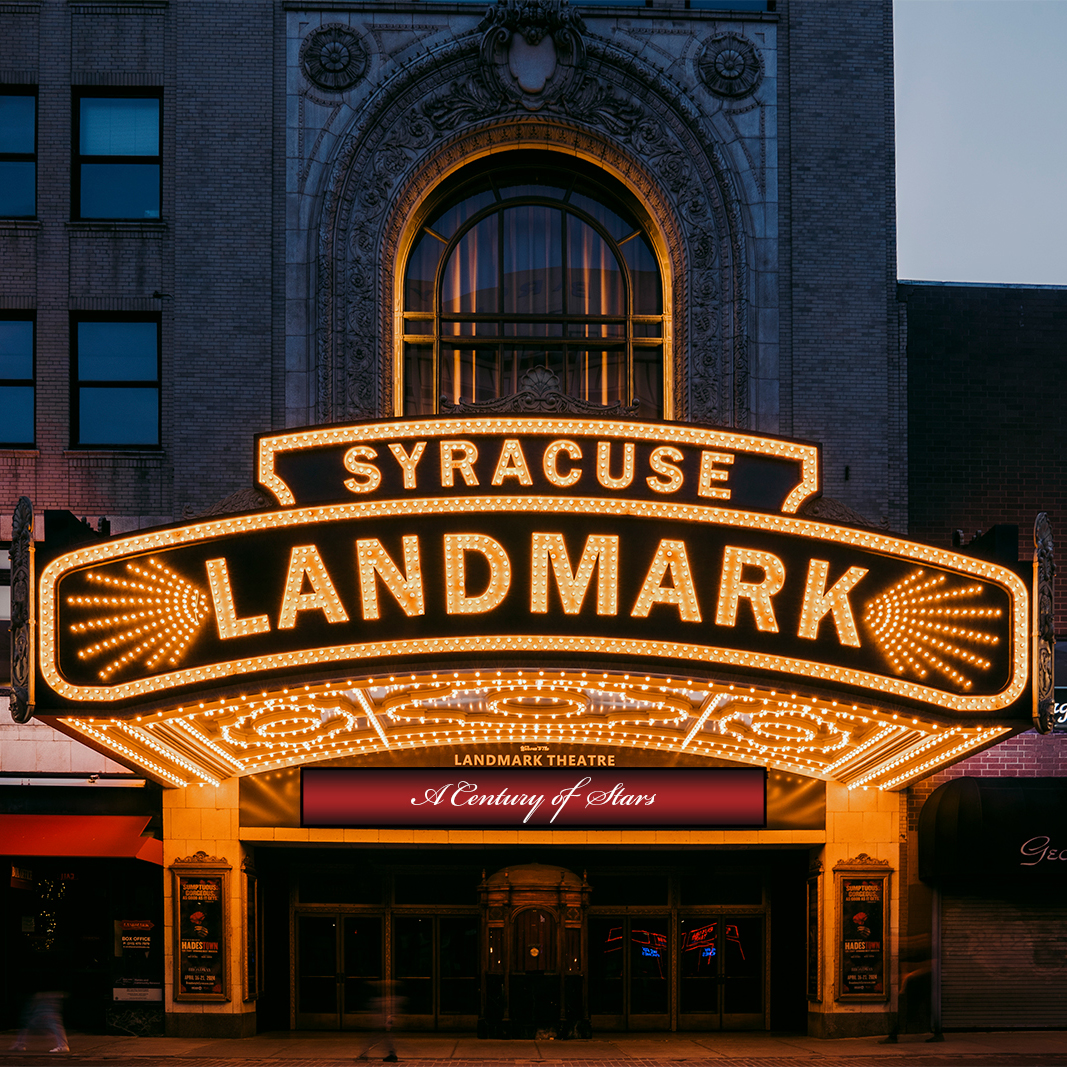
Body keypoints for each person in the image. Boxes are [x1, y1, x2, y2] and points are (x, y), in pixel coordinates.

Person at [355, 979, 404, 1062]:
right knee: (386, 1038)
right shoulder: (392, 999)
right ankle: (391, 1054)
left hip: (381, 1023)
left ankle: (364, 1054)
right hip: (383, 1022)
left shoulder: (380, 1000)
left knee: (375, 1038)